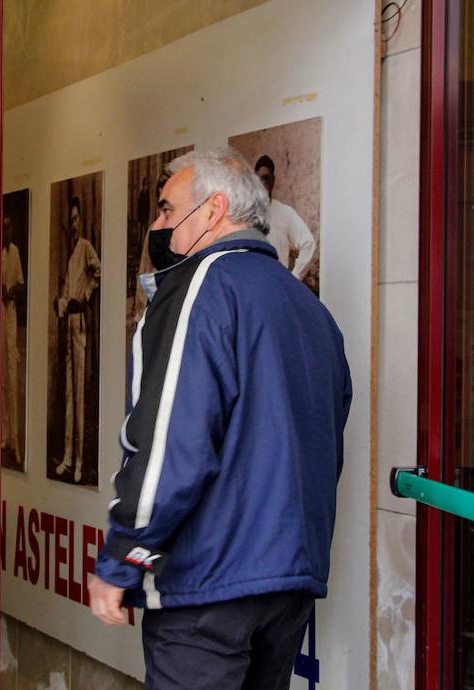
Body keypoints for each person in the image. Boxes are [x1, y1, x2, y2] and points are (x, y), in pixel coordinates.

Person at [89, 148, 352, 690]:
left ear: (213, 210)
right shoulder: (311, 310)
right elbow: (327, 440)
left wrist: (120, 558)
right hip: (290, 583)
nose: (157, 226)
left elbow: (170, 444)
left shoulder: (198, 290)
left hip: (208, 583)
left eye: (167, 209)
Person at [53, 195, 101, 482]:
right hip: (68, 324)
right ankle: (68, 457)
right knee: (69, 394)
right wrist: (60, 303)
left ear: (80, 220)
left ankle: (81, 460)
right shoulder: (71, 255)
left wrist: (84, 297)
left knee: (80, 392)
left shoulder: (84, 247)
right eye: (70, 221)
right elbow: (64, 294)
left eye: (75, 219)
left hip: (80, 323)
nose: (73, 225)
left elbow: (98, 270)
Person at [254, 155, 316, 279]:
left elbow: (308, 244)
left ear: (273, 180)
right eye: (260, 179)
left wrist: (294, 278)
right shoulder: (247, 214)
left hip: (277, 283)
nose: (263, 183)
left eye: (266, 178)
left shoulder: (285, 213)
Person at [1, 215, 26, 466]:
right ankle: (4, 435)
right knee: (0, 380)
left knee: (12, 374)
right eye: (4, 227)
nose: (6, 232)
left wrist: (10, 292)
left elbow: (20, 284)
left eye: (9, 228)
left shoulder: (15, 252)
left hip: (10, 315)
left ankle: (16, 441)